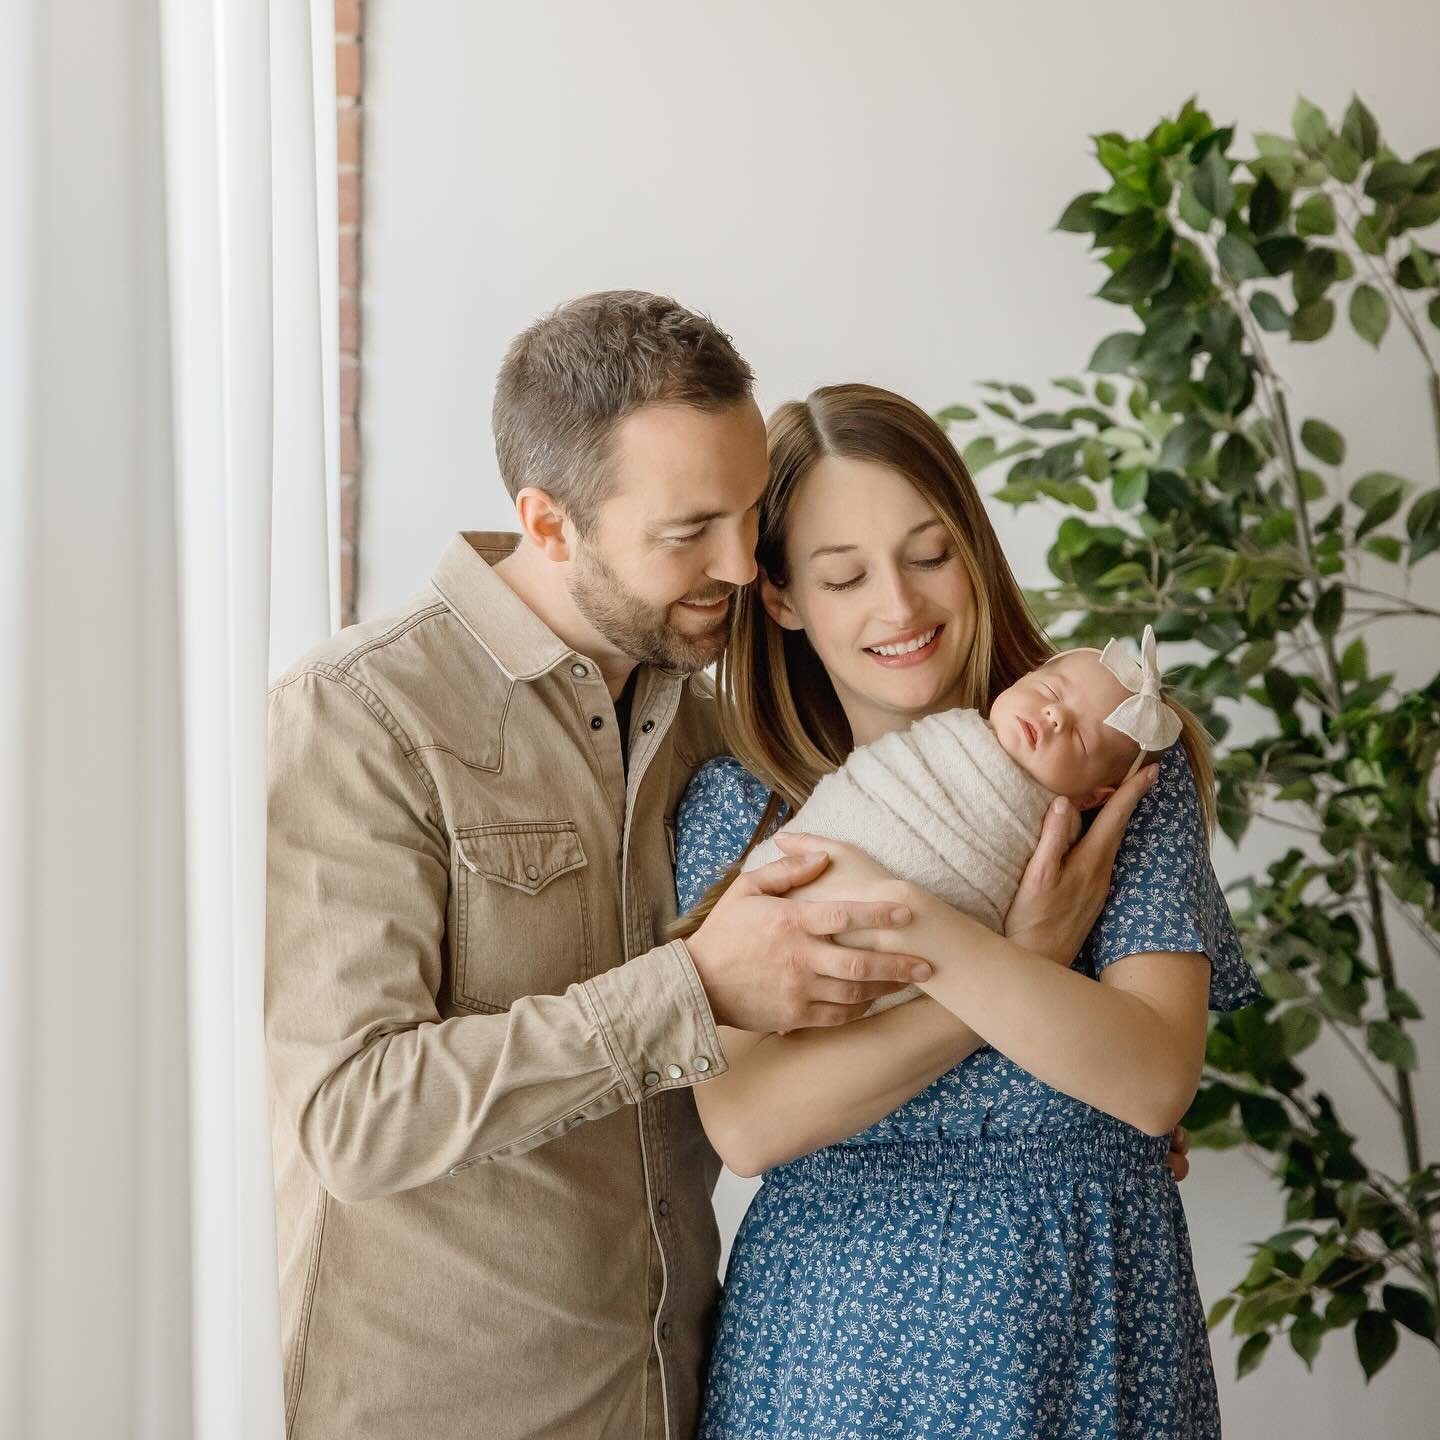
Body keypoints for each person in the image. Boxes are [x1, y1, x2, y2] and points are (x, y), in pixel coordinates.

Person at [263, 294, 934, 1440]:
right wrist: (693, 992)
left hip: (679, 1392)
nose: (737, 564)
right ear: (551, 522)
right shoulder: (360, 715)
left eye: (747, 515)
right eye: (687, 533)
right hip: (443, 1409)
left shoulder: (719, 726)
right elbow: (355, 1116)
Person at [670, 383, 1260, 1439]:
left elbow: (1151, 1078)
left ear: (977, 553)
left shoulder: (1110, 772)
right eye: (844, 576)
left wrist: (933, 938)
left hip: (1089, 1317)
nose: (898, 608)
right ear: (784, 597)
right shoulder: (744, 810)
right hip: (838, 1347)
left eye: (930, 554)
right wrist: (1019, 954)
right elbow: (752, 1123)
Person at [730, 628, 1193, 1017]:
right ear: (1024, 678)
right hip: (794, 883)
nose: (1055, 716)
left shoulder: (1062, 849)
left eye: (1082, 739)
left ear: (1094, 797)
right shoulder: (947, 733)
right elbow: (866, 789)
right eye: (1051, 693)